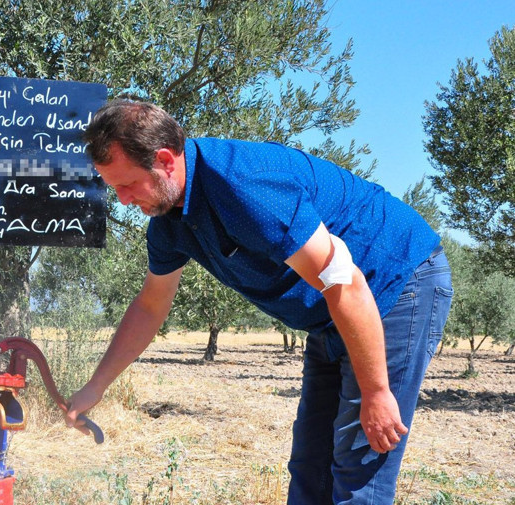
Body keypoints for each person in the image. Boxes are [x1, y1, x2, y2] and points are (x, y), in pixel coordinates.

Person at [64, 99, 453, 504]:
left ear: (164, 160)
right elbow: (150, 306)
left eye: (126, 185)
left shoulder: (245, 186)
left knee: (359, 476)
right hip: (330, 314)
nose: (123, 200)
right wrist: (96, 386)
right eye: (114, 189)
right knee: (310, 471)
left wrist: (376, 391)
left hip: (393, 285)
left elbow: (345, 282)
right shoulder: (168, 224)